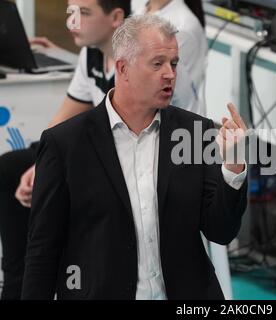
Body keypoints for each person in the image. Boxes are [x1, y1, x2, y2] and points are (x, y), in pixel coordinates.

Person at [21, 14, 248, 300]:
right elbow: (43, 249)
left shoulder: (194, 131)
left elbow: (221, 231)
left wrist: (233, 167)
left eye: (174, 63)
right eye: (157, 64)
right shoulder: (65, 144)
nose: (170, 74)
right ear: (123, 68)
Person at [0, 0, 131, 299]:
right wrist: (39, 164)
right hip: (92, 156)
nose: (73, 22)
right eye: (71, 13)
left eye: (84, 13)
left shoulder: (132, 65)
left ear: (116, 17)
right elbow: (60, 124)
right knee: (11, 169)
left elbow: (121, 141)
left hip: (122, 166)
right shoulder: (92, 56)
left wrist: (47, 170)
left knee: (52, 188)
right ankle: (15, 287)